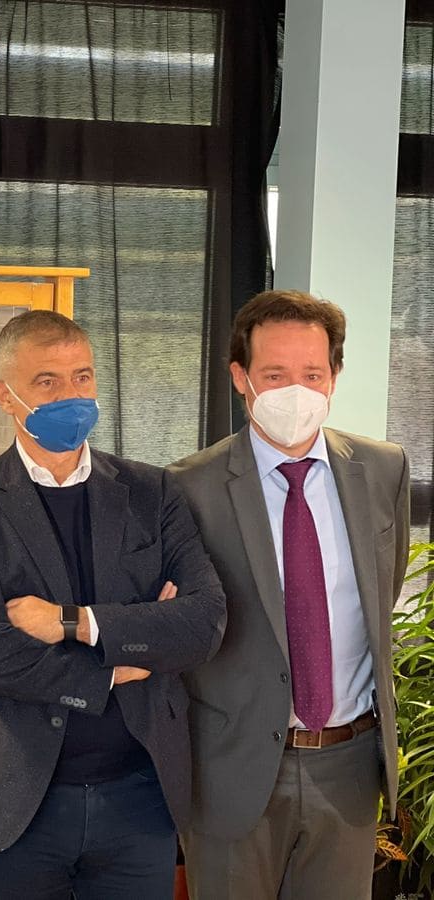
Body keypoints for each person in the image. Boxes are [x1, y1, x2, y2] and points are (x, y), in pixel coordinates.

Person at [0, 310, 227, 900]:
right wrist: (116, 666)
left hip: (140, 791)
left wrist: (72, 622)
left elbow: (203, 621)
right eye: (48, 382)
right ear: (5, 396)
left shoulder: (152, 491)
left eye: (83, 377)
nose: (72, 396)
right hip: (20, 797)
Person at [169, 290, 411, 899]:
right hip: (231, 767)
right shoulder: (188, 487)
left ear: (334, 377)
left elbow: (383, 593)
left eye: (312, 374)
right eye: (275, 375)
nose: (296, 391)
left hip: (349, 765)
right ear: (241, 378)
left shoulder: (384, 470)